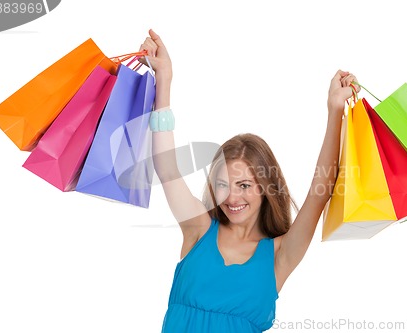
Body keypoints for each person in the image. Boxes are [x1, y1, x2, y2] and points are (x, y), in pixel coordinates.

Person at [140, 29, 360, 333]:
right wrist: (164, 79)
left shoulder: (279, 255)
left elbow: (319, 194)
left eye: (244, 185)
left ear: (266, 188)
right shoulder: (198, 230)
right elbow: (167, 170)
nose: (232, 197)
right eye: (223, 185)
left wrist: (335, 110)